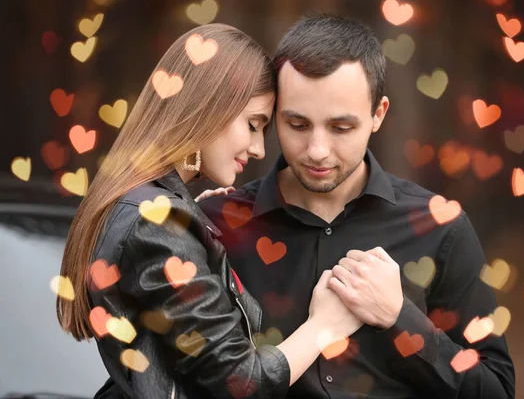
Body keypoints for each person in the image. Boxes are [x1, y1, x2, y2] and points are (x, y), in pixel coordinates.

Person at [197, 15, 516, 398]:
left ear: (377, 114)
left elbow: (496, 390)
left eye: (341, 128)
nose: (317, 150)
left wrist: (400, 318)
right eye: (297, 125)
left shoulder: (440, 227)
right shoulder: (219, 225)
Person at [56, 23, 363, 399]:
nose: (258, 150)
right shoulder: (157, 223)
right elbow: (242, 385)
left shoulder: (148, 208)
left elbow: (158, 361)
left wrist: (192, 230)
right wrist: (324, 325)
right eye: (252, 125)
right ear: (209, 107)